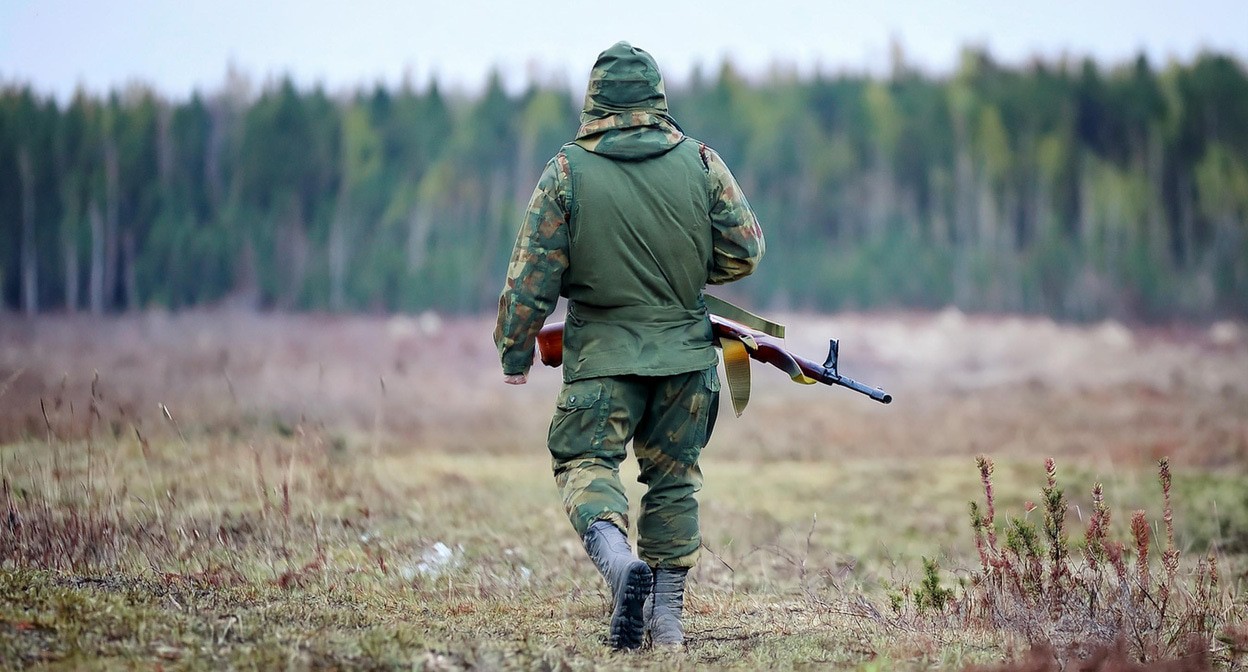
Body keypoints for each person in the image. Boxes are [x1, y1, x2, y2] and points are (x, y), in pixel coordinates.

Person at [493, 41, 764, 650]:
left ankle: (620, 568)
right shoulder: (700, 161)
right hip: (688, 360)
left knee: (586, 463)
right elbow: (746, 251)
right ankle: (666, 623)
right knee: (673, 481)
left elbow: (531, 271)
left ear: (594, 99)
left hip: (601, 362)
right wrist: (688, 272)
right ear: (656, 96)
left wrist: (515, 353)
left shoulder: (566, 171)